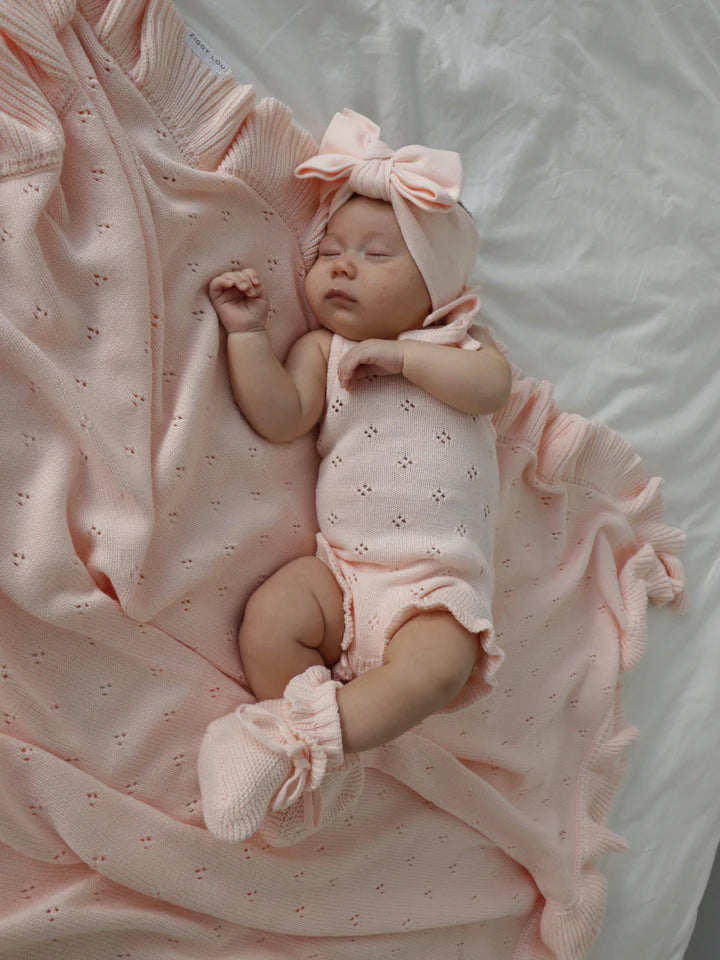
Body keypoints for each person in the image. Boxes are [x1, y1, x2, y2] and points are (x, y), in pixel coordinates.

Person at [197, 109, 512, 843]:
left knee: (438, 668)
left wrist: (406, 359)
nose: (342, 265)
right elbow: (282, 416)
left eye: (376, 254)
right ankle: (304, 735)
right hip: (339, 576)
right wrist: (245, 336)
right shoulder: (326, 352)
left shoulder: (460, 346)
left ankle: (289, 744)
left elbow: (490, 391)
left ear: (436, 289)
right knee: (271, 618)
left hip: (432, 582)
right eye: (331, 250)